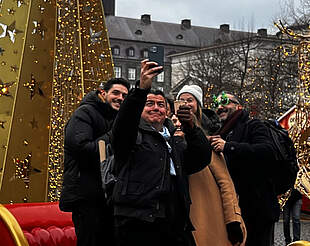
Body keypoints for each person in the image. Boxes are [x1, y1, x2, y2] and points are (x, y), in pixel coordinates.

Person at [111, 60, 212, 246]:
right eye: (149, 104)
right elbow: (124, 122)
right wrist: (141, 90)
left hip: (174, 220)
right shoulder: (132, 135)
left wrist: (191, 128)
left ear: (167, 111)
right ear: (140, 109)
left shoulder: (174, 139)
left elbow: (201, 158)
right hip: (138, 221)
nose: (156, 108)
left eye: (161, 104)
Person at [59, 78, 130, 246]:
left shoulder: (117, 118)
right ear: (102, 93)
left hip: (109, 197)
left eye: (125, 96)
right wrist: (114, 136)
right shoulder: (84, 113)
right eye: (116, 93)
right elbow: (83, 149)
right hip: (87, 197)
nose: (120, 98)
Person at [176, 85, 246, 246]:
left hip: (206, 209)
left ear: (198, 105)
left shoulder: (210, 138)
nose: (185, 103)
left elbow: (225, 183)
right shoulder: (172, 133)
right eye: (182, 100)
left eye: (190, 100)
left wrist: (232, 219)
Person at [209, 92, 280, 246]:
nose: (220, 107)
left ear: (238, 106)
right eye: (216, 104)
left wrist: (229, 147)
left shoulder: (254, 125)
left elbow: (267, 151)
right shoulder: (221, 132)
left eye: (225, 102)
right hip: (235, 210)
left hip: (258, 210)